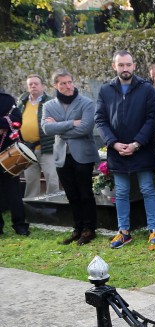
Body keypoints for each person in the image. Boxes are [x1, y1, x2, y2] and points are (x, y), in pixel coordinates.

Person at [95, 50, 155, 249]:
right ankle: (124, 231)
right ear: (114, 66)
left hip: (141, 149)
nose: (125, 68)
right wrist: (113, 143)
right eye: (121, 65)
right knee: (121, 192)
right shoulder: (105, 90)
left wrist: (137, 143)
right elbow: (101, 119)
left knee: (148, 189)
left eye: (128, 64)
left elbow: (152, 118)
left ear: (134, 66)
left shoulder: (146, 89)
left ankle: (153, 229)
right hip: (117, 151)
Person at [42, 69, 99, 245]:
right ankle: (78, 228)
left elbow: (85, 128)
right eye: (63, 83)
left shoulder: (86, 103)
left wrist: (58, 126)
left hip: (83, 155)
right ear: (55, 85)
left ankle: (90, 229)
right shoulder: (48, 106)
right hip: (61, 156)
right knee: (71, 195)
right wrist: (71, 123)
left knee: (85, 193)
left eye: (69, 82)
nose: (68, 86)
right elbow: (46, 129)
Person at [18, 74, 58, 198]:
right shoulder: (22, 103)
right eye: (30, 84)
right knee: (30, 181)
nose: (33, 86)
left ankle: (54, 207)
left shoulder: (51, 102)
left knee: (51, 179)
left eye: (36, 84)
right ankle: (32, 210)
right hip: (27, 149)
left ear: (42, 86)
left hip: (46, 147)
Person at [0, 87, 29, 236]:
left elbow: (17, 120)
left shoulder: (7, 100)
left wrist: (2, 125)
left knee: (14, 193)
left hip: (7, 153)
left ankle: (20, 225)